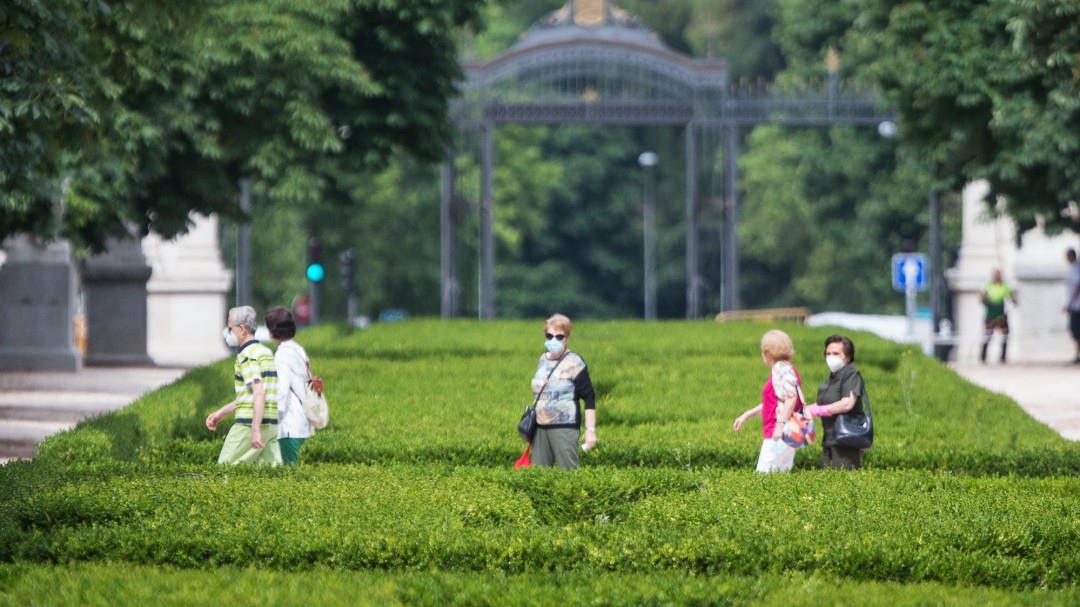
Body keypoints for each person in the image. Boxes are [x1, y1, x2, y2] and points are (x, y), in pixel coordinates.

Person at [205, 306, 282, 466]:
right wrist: (221, 413)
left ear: (241, 329)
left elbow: (258, 393)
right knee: (270, 476)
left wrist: (255, 429)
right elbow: (251, 396)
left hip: (248, 424)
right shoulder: (265, 353)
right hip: (271, 425)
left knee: (224, 470)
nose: (229, 333)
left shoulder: (247, 355)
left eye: (230, 328)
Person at [733, 329, 805, 473]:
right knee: (780, 478)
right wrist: (747, 415)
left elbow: (791, 398)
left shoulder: (780, 369)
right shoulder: (787, 368)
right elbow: (773, 402)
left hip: (778, 433)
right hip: (789, 433)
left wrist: (779, 426)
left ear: (767, 352)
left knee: (764, 477)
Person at [529, 313, 596, 469]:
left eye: (559, 336)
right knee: (538, 475)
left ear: (567, 338)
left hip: (564, 426)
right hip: (540, 427)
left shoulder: (574, 362)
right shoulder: (542, 359)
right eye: (549, 336)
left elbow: (589, 397)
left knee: (569, 472)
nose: (554, 340)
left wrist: (590, 430)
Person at [801, 334, 867, 470]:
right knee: (826, 476)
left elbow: (847, 403)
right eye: (828, 353)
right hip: (829, 438)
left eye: (836, 353)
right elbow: (824, 403)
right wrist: (807, 410)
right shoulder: (832, 376)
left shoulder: (851, 374)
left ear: (848, 356)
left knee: (843, 476)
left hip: (845, 439)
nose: (831, 357)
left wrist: (820, 410)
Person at [265, 306, 315, 466]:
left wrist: (268, 417)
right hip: (303, 420)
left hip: (289, 424)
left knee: (290, 471)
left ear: (273, 330)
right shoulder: (298, 349)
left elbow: (282, 390)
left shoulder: (282, 355)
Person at [979, 269, 1016, 363]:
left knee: (1005, 335)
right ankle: (983, 357)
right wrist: (984, 300)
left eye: (999, 275)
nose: (997, 277)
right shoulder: (987, 286)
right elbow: (982, 299)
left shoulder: (1004, 286)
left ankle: (1003, 357)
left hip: (1001, 315)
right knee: (987, 336)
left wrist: (1014, 300)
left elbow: (1012, 296)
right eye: (996, 275)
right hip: (990, 314)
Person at [1065, 249, 1080, 363]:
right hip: (1075, 305)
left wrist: (1071, 303)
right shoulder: (1074, 268)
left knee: (1076, 330)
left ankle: (1077, 354)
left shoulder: (1076, 268)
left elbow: (1078, 284)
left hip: (1077, 305)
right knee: (1075, 330)